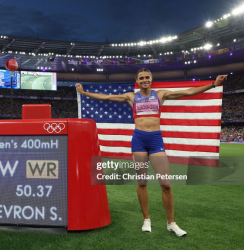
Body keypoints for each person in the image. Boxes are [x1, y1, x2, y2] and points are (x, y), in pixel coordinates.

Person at [76, 68, 227, 237]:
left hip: (156, 141)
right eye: (141, 78)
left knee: (166, 185)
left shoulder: (160, 94)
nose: (144, 80)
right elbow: (106, 97)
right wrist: (84, 93)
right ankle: (146, 219)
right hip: (139, 140)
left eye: (147, 77)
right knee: (142, 183)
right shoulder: (130, 97)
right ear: (137, 81)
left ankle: (171, 223)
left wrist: (213, 84)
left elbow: (188, 92)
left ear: (151, 79)